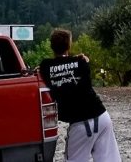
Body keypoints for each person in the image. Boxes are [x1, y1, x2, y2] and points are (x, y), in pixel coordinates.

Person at [38, 29, 121, 162]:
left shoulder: (45, 66)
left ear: (52, 46)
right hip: (102, 116)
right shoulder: (81, 62)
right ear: (69, 46)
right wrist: (81, 59)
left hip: (80, 124)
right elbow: (77, 69)